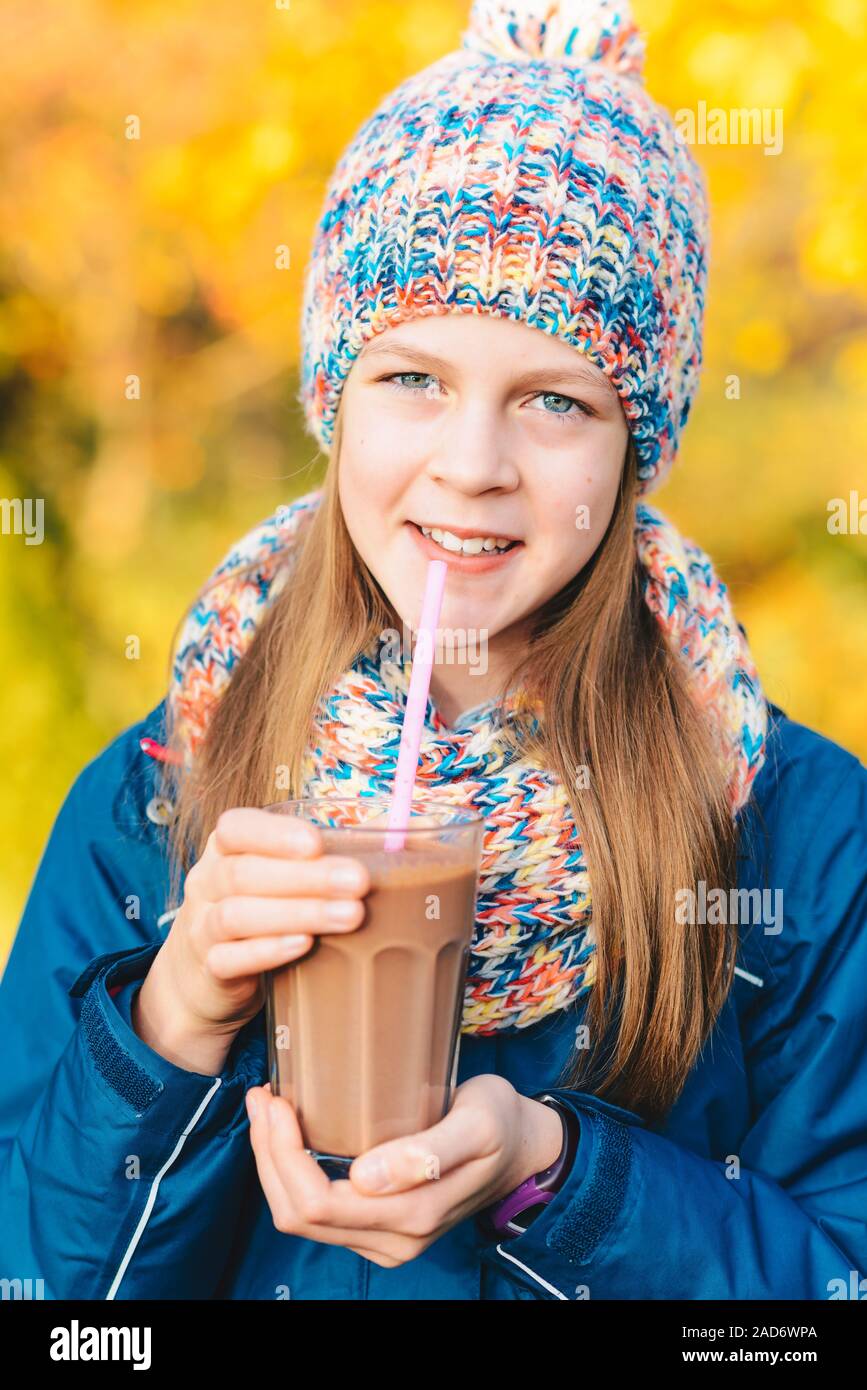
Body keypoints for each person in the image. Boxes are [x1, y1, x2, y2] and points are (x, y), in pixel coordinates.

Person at [1, 0, 865, 1302]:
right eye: (411, 379)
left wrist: (554, 1175)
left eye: (555, 400)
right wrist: (170, 1024)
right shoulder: (155, 806)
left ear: (635, 446)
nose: (470, 467)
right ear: (332, 401)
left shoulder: (797, 839)